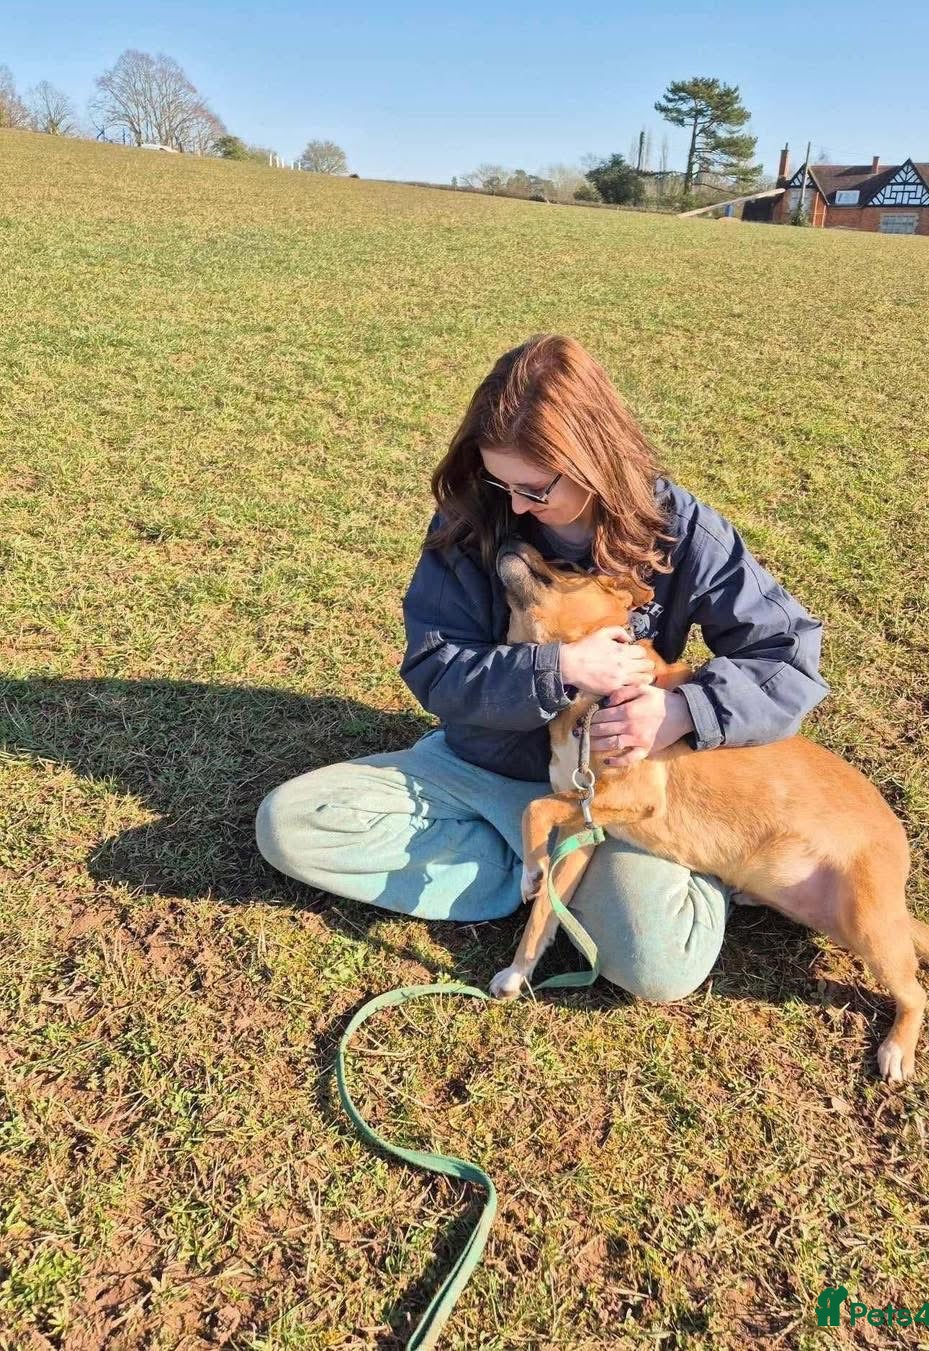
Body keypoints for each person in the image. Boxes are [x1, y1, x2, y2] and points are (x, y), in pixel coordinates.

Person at [255, 335, 830, 1001]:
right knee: (293, 824)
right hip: (482, 769)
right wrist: (557, 669)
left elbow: (788, 656)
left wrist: (680, 710)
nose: (516, 507)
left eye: (535, 487)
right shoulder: (472, 522)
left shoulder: (681, 529)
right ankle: (532, 873)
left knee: (659, 967)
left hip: (610, 803)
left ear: (594, 459)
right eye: (501, 482)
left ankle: (602, 871)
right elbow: (434, 667)